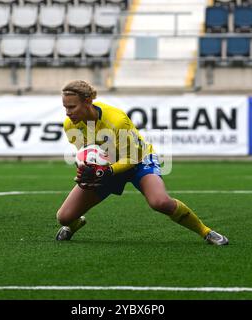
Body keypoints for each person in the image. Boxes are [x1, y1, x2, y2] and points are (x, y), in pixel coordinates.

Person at [55, 80, 228, 245]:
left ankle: (206, 232)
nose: (68, 113)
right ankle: (75, 224)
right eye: (65, 107)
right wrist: (86, 171)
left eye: (72, 107)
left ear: (87, 102)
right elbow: (87, 154)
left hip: (138, 160)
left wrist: (105, 172)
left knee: (160, 202)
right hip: (109, 166)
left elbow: (132, 158)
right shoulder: (70, 125)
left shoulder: (116, 120)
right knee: (64, 217)